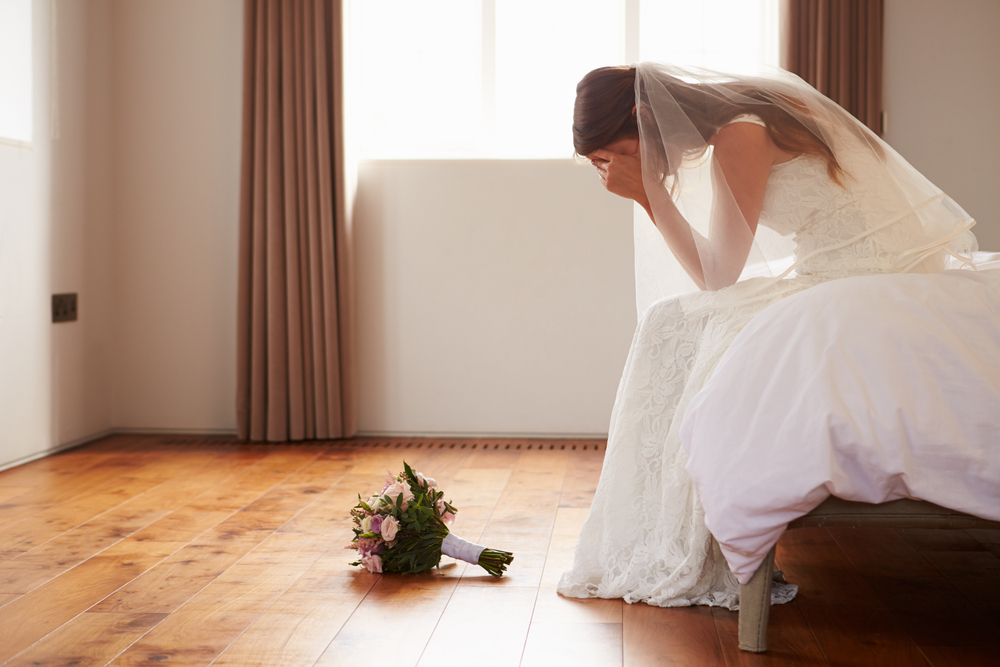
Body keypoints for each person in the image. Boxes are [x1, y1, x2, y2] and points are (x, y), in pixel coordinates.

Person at [556, 62, 979, 609]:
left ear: (643, 118)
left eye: (617, 157)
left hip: (857, 278)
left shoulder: (740, 134)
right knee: (675, 319)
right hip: (855, 269)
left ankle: (686, 534)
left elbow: (717, 275)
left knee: (675, 322)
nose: (619, 170)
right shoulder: (752, 109)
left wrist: (647, 195)